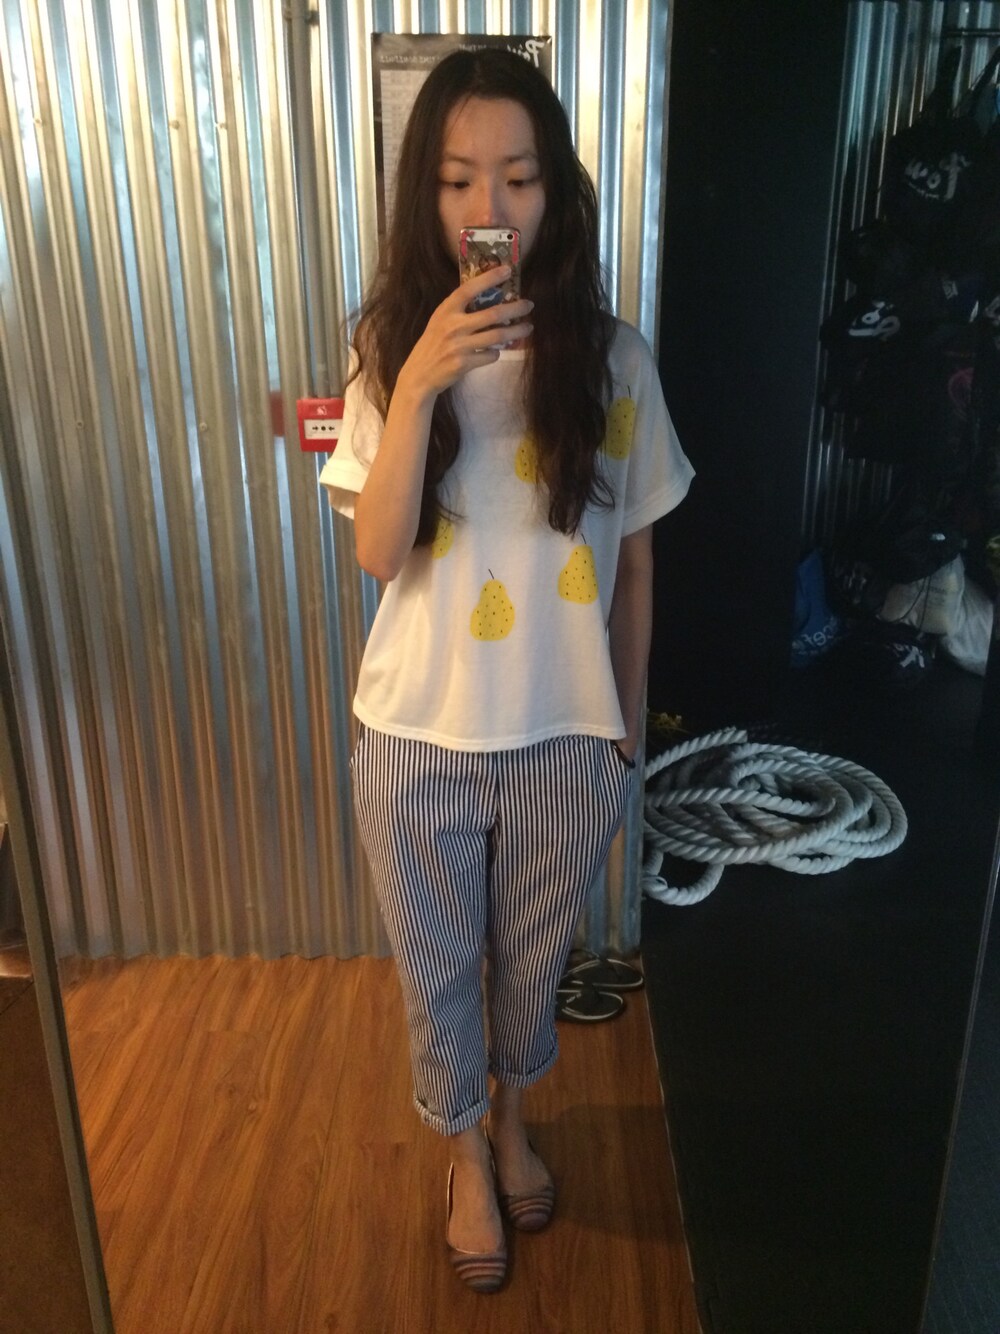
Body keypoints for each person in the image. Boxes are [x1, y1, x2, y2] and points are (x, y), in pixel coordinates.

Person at [319, 47, 693, 1293]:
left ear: (556, 190)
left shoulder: (616, 359)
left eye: (520, 177)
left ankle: (516, 1119)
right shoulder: (387, 351)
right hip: (415, 734)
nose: (491, 208)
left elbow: (636, 560)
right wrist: (423, 379)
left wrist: (625, 730)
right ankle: (465, 1156)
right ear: (423, 197)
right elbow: (378, 554)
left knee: (531, 971)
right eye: (459, 179)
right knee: (438, 975)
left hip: (566, 735)